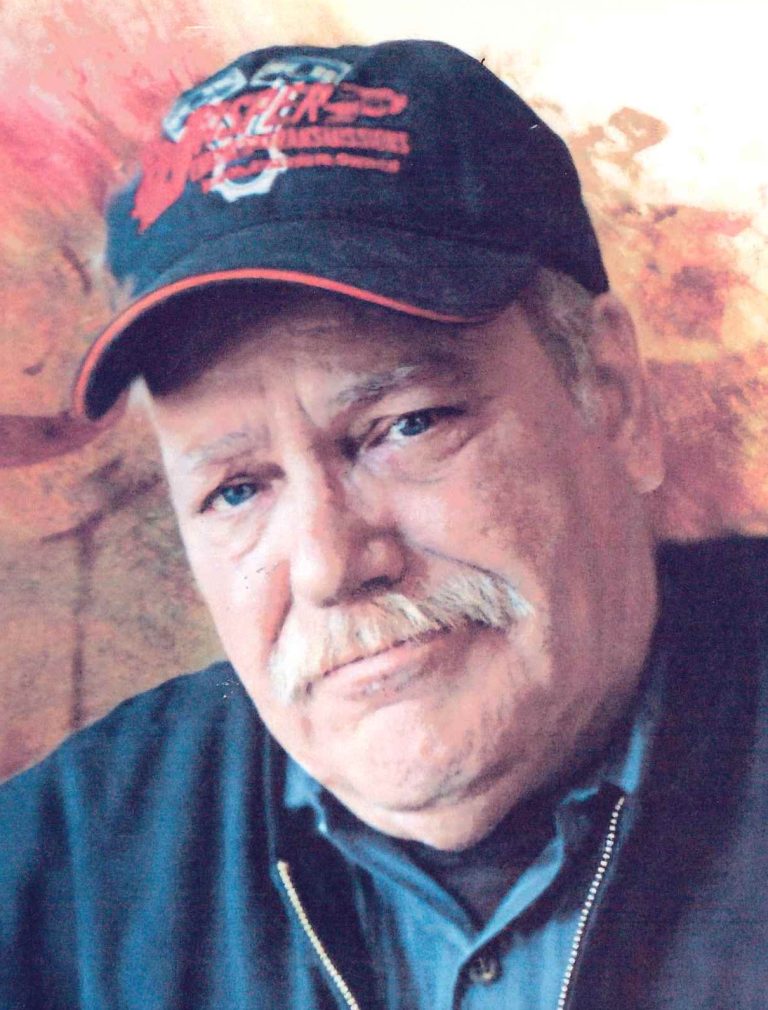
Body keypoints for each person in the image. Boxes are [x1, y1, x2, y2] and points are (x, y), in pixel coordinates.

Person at [1, 39, 766, 1010]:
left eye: (406, 425)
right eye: (237, 488)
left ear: (612, 397)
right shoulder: (60, 876)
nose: (329, 563)